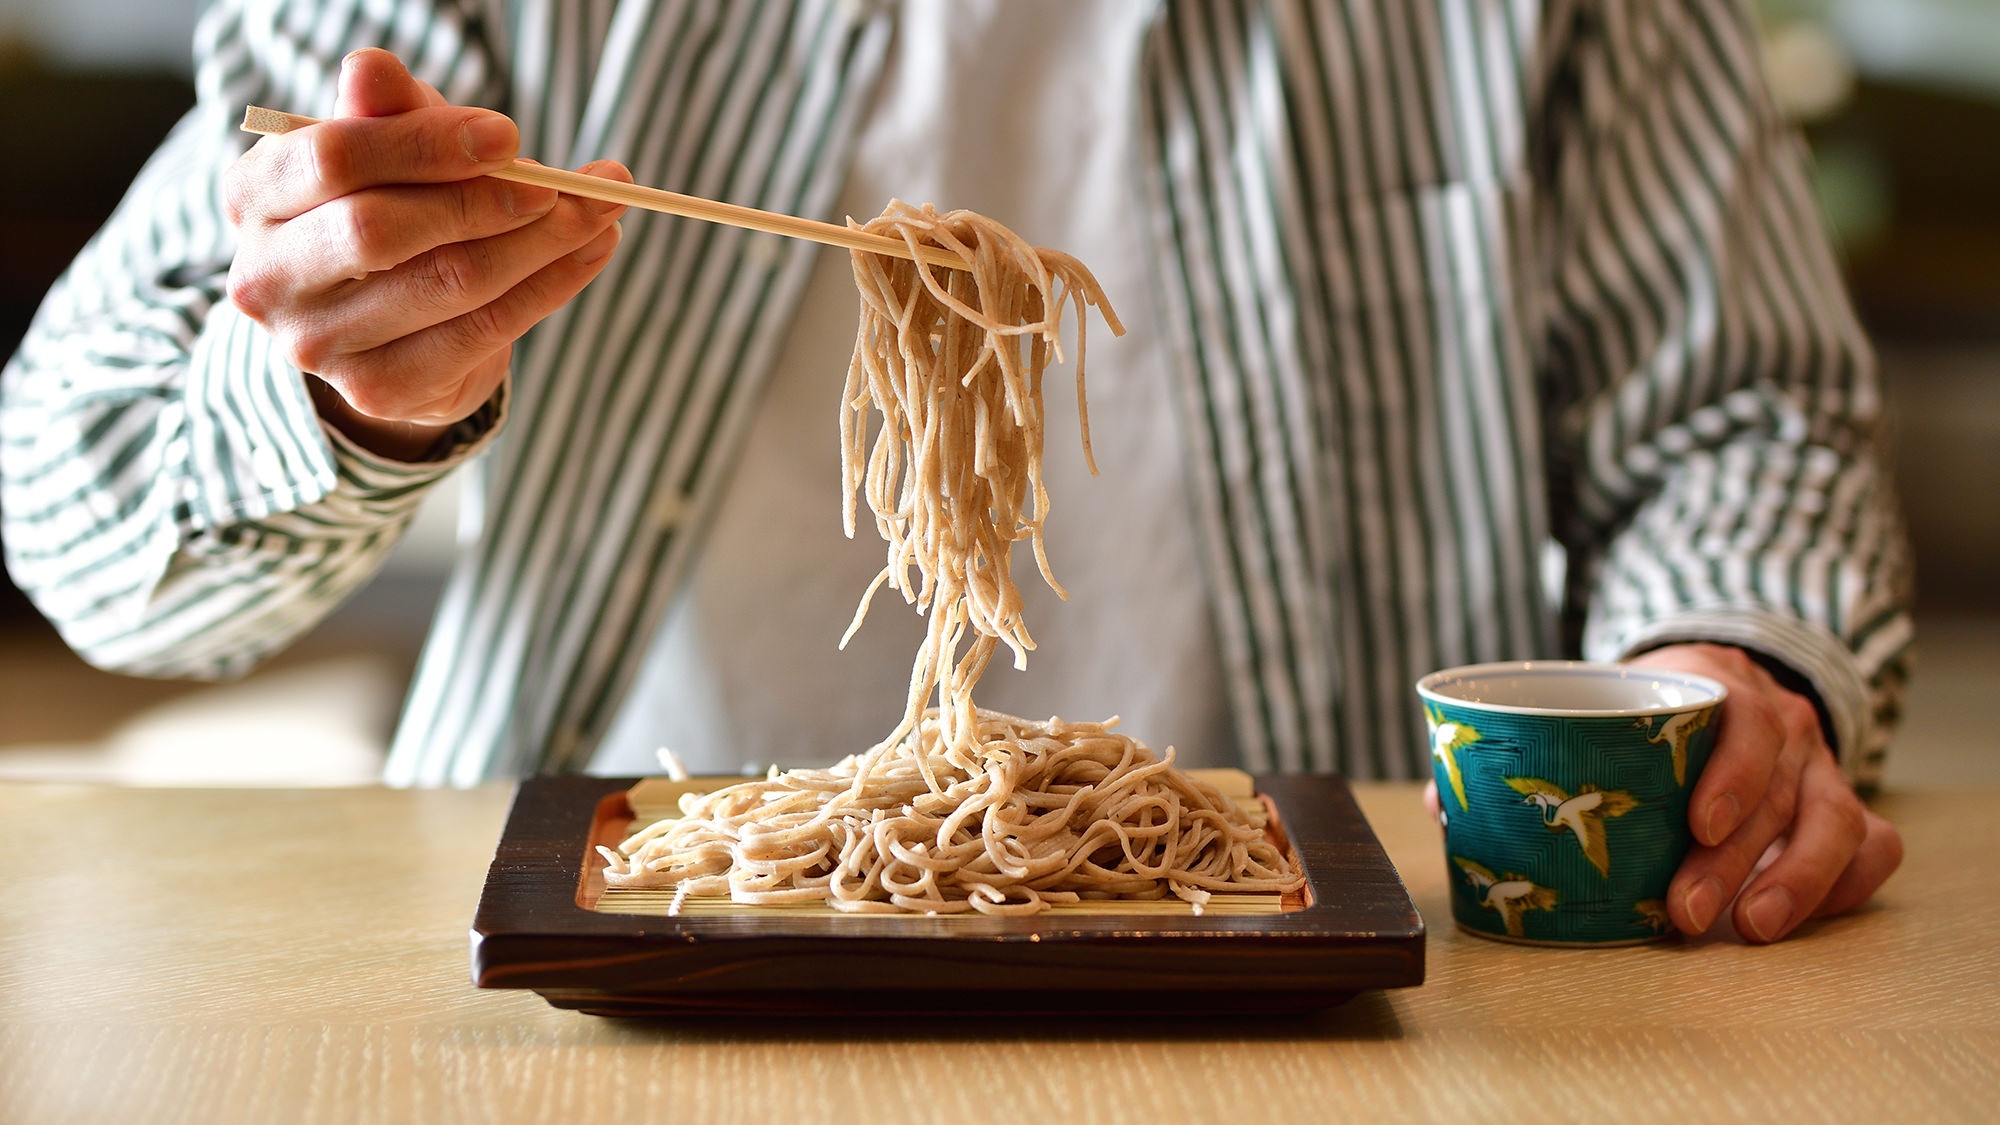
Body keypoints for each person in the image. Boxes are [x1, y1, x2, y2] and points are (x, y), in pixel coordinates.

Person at [0, 0, 1908, 944]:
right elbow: (84, 514)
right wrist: (353, 387)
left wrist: (1737, 679)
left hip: (1297, 959)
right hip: (641, 955)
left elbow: (1742, 414)